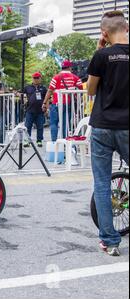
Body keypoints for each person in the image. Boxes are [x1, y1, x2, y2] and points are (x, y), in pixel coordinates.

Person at [87, 10, 129, 257]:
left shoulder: (101, 55)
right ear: (127, 27)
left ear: (104, 33)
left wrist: (99, 50)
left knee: (102, 184)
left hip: (102, 126)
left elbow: (91, 90)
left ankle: (110, 241)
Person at [43, 60, 83, 142]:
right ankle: (65, 144)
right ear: (70, 67)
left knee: (54, 123)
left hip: (56, 104)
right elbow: (80, 90)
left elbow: (50, 90)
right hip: (68, 104)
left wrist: (44, 102)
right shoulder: (75, 78)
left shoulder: (56, 77)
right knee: (66, 125)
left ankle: (54, 143)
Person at [22, 72, 48, 148]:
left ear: (40, 78)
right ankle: (27, 140)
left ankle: (39, 140)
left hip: (40, 111)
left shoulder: (43, 88)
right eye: (34, 78)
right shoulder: (27, 87)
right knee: (28, 126)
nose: (36, 79)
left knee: (40, 126)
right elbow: (20, 94)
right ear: (32, 78)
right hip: (29, 110)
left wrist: (46, 109)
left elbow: (47, 99)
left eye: (37, 78)